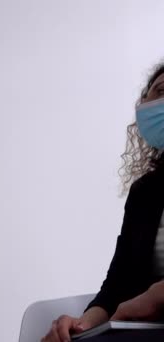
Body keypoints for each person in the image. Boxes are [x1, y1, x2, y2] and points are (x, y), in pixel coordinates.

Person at [42, 62, 164, 342]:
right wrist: (81, 325)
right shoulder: (144, 192)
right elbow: (117, 284)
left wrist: (157, 295)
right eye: (158, 92)